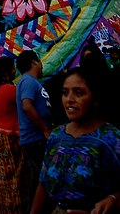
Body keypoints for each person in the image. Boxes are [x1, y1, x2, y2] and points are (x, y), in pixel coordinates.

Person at [30, 67, 120, 213]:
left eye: (79, 93)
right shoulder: (56, 136)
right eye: (65, 93)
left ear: (96, 98)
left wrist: (114, 199)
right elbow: (44, 184)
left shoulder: (110, 139)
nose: (69, 99)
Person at [16, 50, 52, 213]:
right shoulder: (29, 82)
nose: (41, 64)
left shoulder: (30, 82)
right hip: (35, 138)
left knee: (38, 181)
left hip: (35, 138)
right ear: (34, 62)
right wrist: (44, 127)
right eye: (39, 60)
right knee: (41, 182)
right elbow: (27, 106)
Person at [0, 56, 22, 214]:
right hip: (10, 135)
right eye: (13, 68)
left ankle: (3, 208)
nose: (15, 71)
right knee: (15, 175)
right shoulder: (9, 90)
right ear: (8, 70)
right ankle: (14, 208)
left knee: (2, 176)